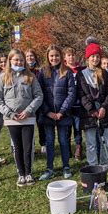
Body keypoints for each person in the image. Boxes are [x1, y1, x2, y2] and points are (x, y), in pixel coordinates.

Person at [0, 49, 43, 187]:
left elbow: (39, 96)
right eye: (16, 60)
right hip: (12, 119)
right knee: (17, 147)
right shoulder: (3, 77)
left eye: (21, 60)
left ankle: (29, 173)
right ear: (10, 61)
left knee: (28, 147)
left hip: (28, 118)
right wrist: (9, 113)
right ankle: (20, 174)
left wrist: (29, 110)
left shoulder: (30, 76)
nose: (18, 62)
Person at [37, 45, 76, 180]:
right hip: (47, 114)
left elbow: (71, 93)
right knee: (49, 141)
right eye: (52, 56)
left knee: (64, 141)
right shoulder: (42, 72)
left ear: (61, 56)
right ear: (48, 57)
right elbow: (39, 93)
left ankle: (66, 166)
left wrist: (61, 111)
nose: (54, 58)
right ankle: (50, 168)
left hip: (63, 114)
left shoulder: (67, 72)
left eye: (57, 55)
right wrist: (47, 112)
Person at [76, 37, 108, 168]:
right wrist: (91, 110)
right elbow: (81, 94)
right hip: (89, 114)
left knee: (107, 140)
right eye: (92, 56)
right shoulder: (81, 74)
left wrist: (104, 107)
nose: (95, 59)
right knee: (91, 142)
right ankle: (93, 164)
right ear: (88, 58)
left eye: (97, 56)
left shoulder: (103, 73)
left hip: (104, 112)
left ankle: (105, 163)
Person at [63, 46, 84, 161]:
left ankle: (78, 148)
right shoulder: (63, 70)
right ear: (65, 57)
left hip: (78, 104)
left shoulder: (81, 70)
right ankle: (67, 150)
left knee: (77, 128)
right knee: (67, 129)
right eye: (68, 55)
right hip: (66, 104)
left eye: (73, 55)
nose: (71, 57)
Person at [25, 48, 47, 154]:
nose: (30, 58)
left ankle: (43, 144)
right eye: (27, 56)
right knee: (29, 125)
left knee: (41, 123)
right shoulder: (23, 70)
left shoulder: (40, 70)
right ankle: (31, 145)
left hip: (39, 101)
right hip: (27, 102)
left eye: (31, 56)